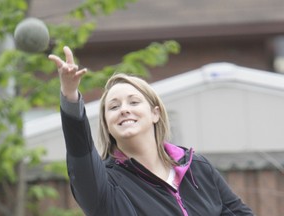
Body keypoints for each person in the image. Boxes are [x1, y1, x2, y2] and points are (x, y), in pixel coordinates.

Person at [48, 46, 255, 216]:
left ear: (155, 113)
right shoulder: (104, 187)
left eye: (134, 101)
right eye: (113, 107)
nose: (124, 109)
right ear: (107, 124)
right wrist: (70, 94)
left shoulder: (197, 168)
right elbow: (80, 152)